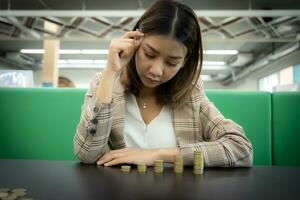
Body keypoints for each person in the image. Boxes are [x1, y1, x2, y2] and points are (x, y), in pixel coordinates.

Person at [73, 0, 253, 167]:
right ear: (135, 41)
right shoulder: (106, 82)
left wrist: (157, 155)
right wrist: (111, 71)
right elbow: (86, 153)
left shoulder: (191, 93)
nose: (156, 71)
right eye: (149, 54)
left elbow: (241, 148)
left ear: (184, 62)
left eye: (172, 62)